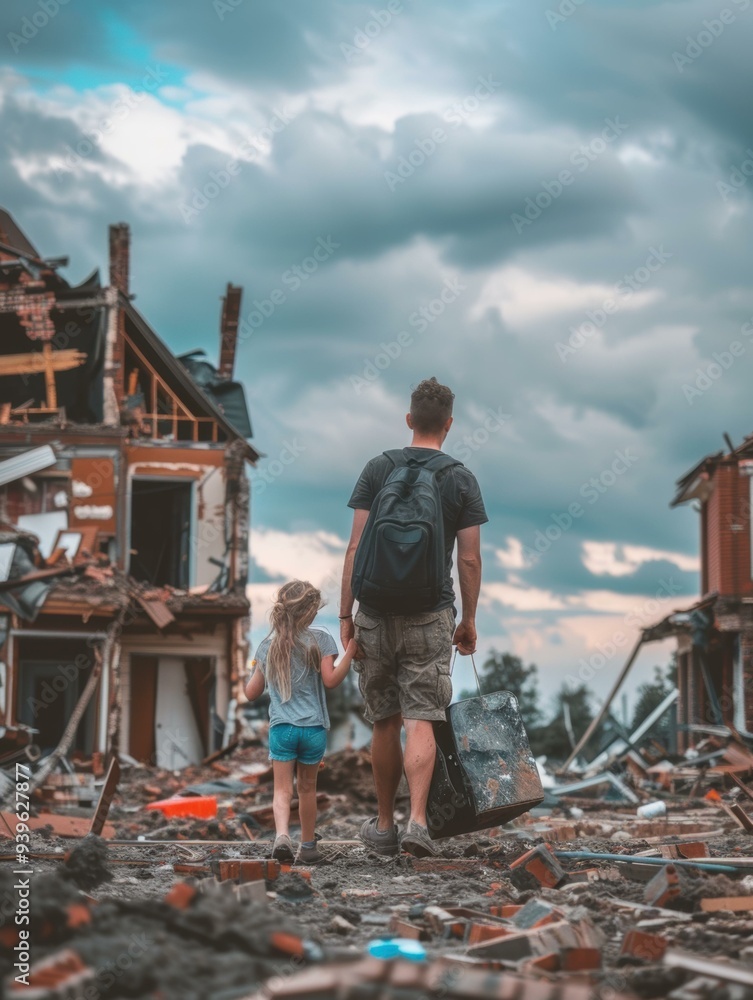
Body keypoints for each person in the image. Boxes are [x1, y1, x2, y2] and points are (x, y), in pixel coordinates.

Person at [340, 377, 487, 858]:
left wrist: (346, 615)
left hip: (375, 613)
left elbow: (356, 546)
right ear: (448, 425)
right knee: (421, 718)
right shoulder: (460, 477)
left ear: (408, 420)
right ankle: (418, 824)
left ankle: (383, 825)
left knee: (385, 721)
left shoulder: (378, 468)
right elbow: (468, 559)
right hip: (430, 614)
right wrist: (467, 621)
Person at [246, 580, 356, 864]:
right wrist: (351, 654)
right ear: (309, 612)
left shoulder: (267, 646)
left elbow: (251, 693)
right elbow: (331, 681)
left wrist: (256, 667)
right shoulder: (321, 640)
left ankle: (282, 836)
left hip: (282, 729)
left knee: (282, 790)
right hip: (314, 730)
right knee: (307, 791)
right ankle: (308, 848)